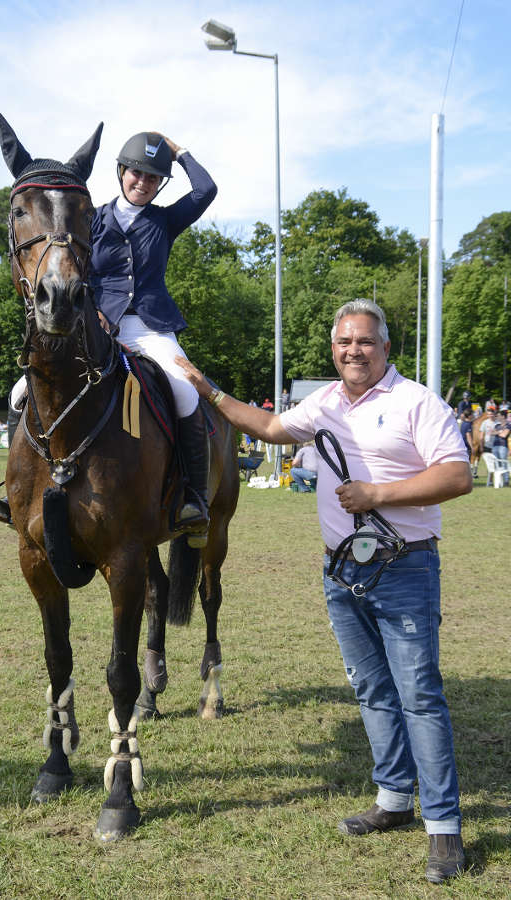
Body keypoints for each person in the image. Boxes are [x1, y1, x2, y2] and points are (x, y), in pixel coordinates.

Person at [175, 298, 472, 884]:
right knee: (371, 691)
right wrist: (207, 389)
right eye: (344, 343)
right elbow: (267, 427)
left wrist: (375, 495)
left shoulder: (417, 401)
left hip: (406, 567)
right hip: (342, 572)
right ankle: (392, 800)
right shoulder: (327, 401)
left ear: (385, 347)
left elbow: (457, 475)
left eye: (364, 341)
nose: (353, 351)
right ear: (334, 350)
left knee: (420, 696)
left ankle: (444, 828)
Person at [0, 132, 217, 544]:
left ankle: (190, 498)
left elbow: (206, 189)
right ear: (122, 172)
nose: (142, 181)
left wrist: (178, 154)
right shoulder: (95, 216)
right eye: (137, 172)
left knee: (185, 392)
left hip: (149, 329)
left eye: (152, 177)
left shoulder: (165, 220)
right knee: (21, 390)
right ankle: (14, 491)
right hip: (97, 326)